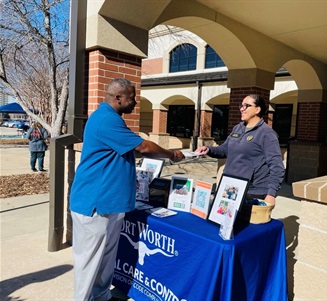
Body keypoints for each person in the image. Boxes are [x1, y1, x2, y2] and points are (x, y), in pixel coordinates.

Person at [69, 78, 185, 301]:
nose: (134, 103)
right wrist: (172, 154)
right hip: (95, 205)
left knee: (105, 260)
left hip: (111, 204)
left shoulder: (112, 119)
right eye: (132, 98)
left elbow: (132, 150)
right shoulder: (106, 120)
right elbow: (143, 146)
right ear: (118, 98)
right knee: (89, 263)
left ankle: (102, 297)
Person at [195, 94, 285, 206]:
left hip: (252, 192)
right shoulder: (238, 128)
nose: (242, 109)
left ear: (257, 109)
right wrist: (209, 149)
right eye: (241, 105)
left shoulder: (267, 134)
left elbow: (277, 167)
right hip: (231, 186)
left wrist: (271, 194)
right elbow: (225, 150)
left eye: (246, 105)